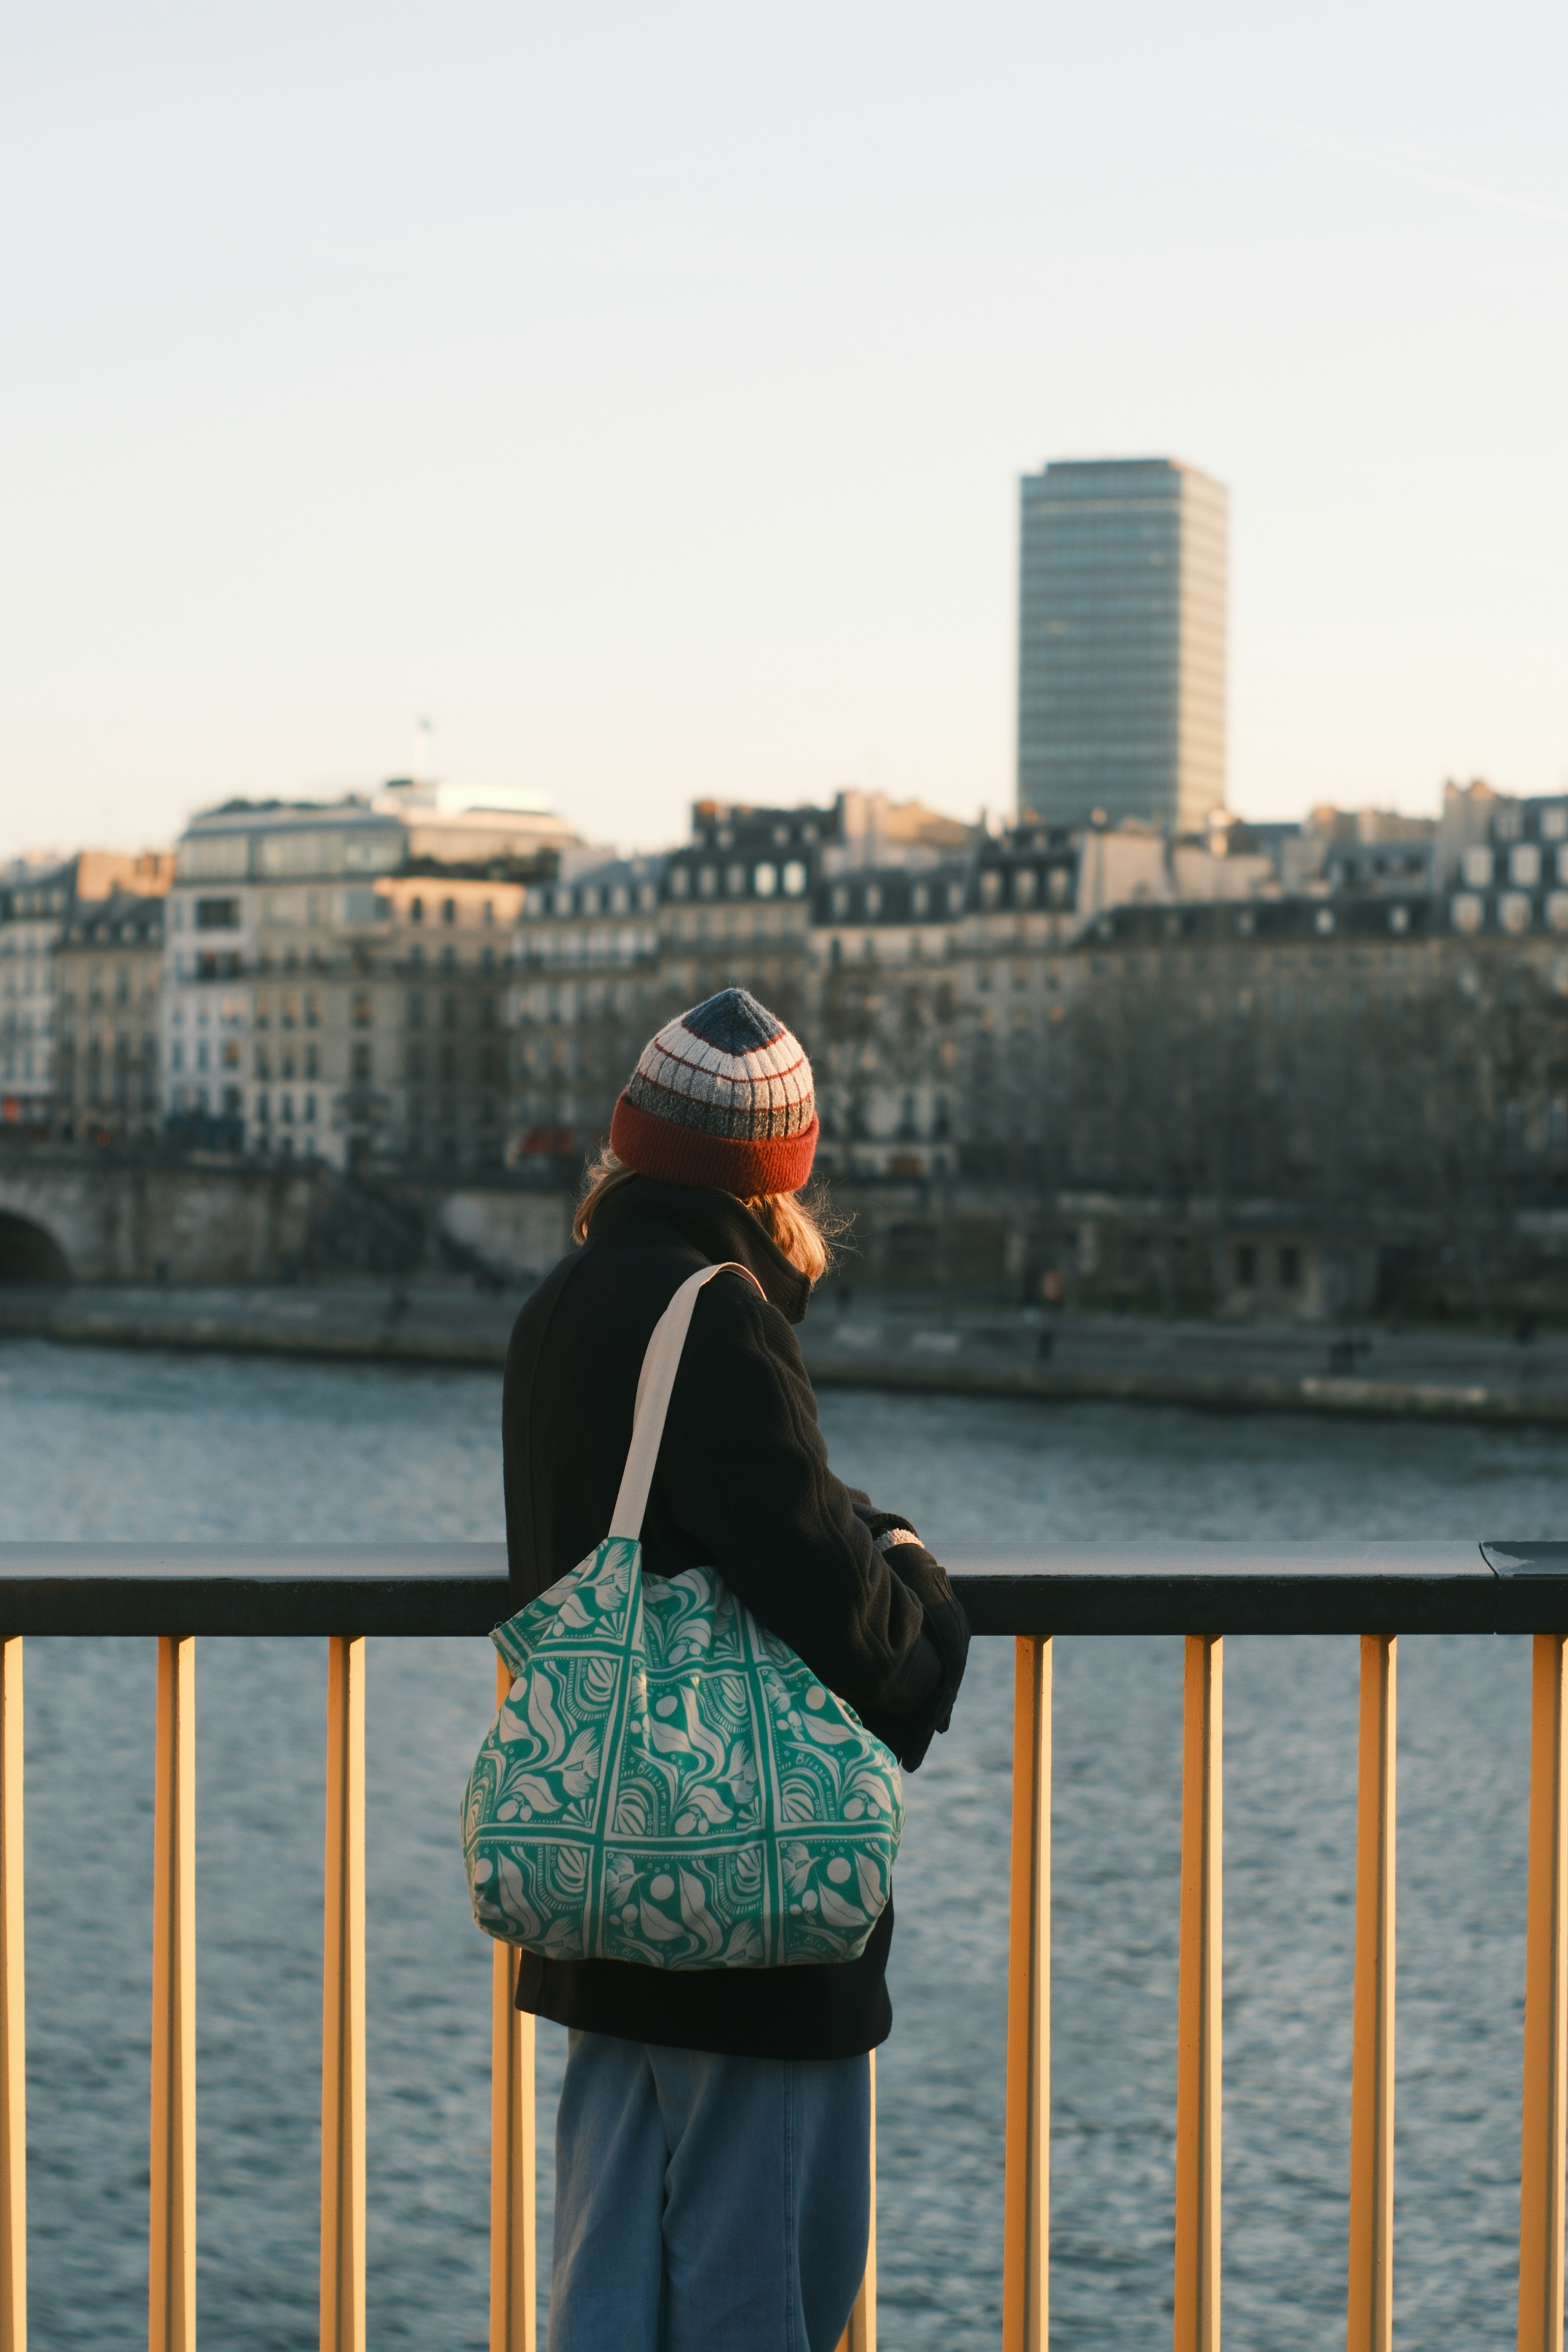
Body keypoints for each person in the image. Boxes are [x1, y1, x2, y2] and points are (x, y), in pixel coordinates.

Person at [502, 985, 970, 2352]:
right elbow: (876, 1651)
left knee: (607, 2284)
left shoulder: (563, 1302)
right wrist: (920, 1572)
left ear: (630, 1146)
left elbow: (674, 1525)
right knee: (763, 2282)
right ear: (778, 1181)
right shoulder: (715, 1316)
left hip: (603, 1870)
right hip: (742, 1903)